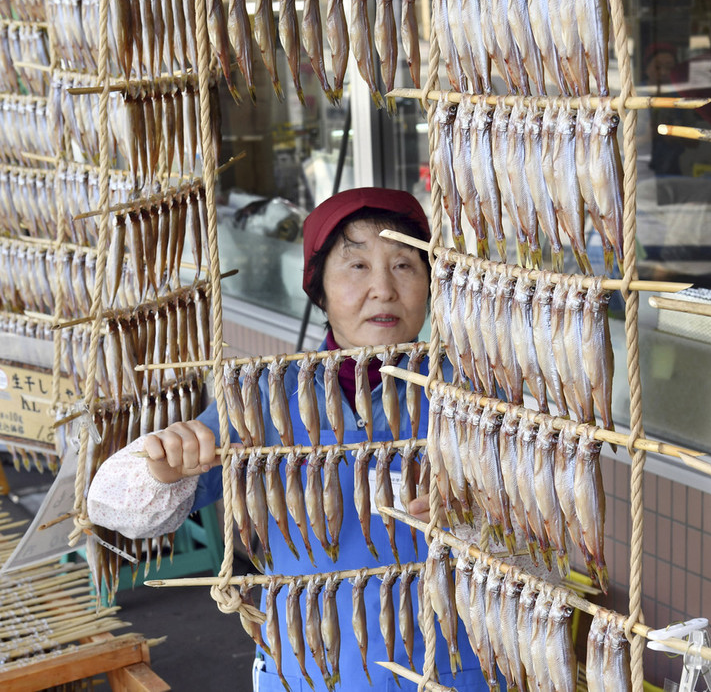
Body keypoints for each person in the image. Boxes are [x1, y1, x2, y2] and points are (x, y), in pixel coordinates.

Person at [88, 188, 486, 691]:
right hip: (309, 671)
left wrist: (482, 517)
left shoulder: (471, 395)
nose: (384, 288)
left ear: (430, 284)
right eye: (357, 266)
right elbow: (108, 505)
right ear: (318, 289)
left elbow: (537, 531)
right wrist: (162, 467)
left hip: (456, 669)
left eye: (405, 265)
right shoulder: (262, 395)